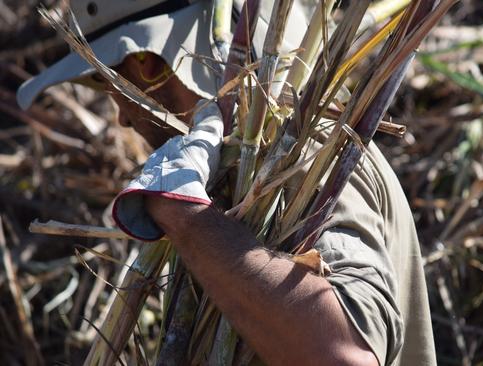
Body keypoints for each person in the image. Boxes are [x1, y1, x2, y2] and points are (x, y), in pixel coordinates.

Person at [17, 1, 436, 365]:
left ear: (149, 62)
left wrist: (185, 216)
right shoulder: (241, 171)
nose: (123, 118)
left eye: (113, 84)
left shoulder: (303, 154)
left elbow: (342, 358)